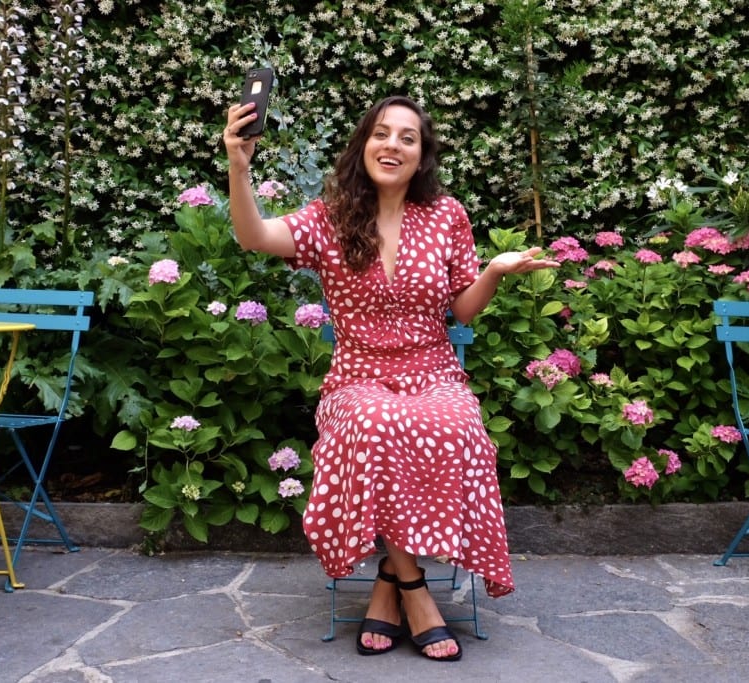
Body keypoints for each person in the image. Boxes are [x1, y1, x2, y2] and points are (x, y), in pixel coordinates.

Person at [223, 95, 559, 662]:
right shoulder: (331, 216)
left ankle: (388, 580)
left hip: (433, 372)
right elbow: (254, 236)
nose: (393, 145)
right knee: (377, 425)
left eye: (408, 137)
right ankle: (416, 592)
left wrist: (495, 272)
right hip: (357, 377)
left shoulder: (447, 215)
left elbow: (463, 311)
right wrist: (239, 164)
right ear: (364, 145)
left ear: (421, 154)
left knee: (457, 425)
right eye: (382, 133)